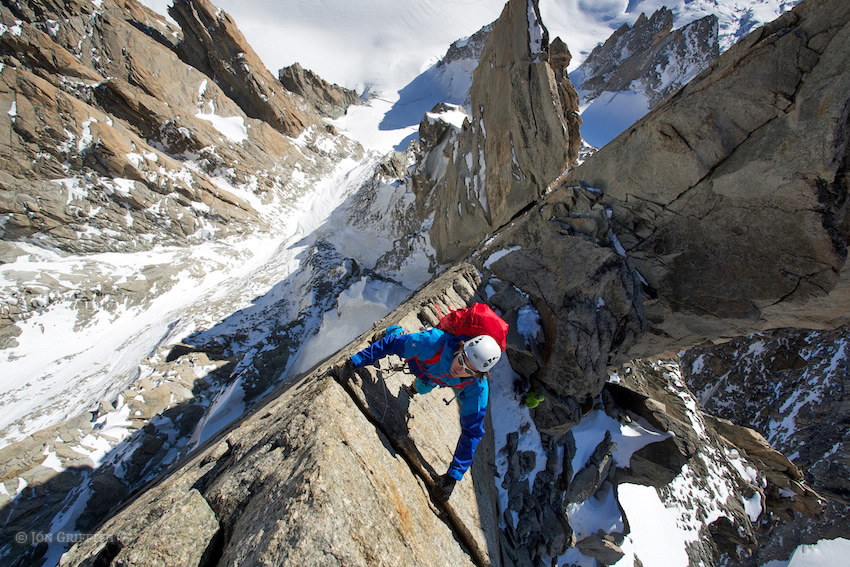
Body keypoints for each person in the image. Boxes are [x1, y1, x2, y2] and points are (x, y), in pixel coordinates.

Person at [343, 324, 502, 501]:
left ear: (480, 374)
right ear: (462, 348)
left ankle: (413, 388)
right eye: (462, 360)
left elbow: (472, 431)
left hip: (430, 376)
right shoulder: (433, 342)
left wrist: (452, 477)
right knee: (396, 337)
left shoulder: (477, 387)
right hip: (418, 359)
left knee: (423, 387)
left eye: (469, 370)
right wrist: (356, 361)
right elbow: (391, 345)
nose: (460, 369)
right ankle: (393, 328)